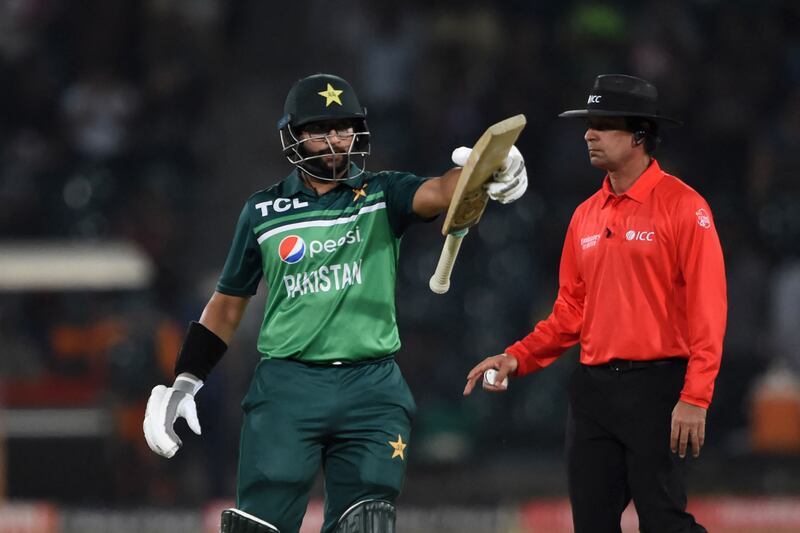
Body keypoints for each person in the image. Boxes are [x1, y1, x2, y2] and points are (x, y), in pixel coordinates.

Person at [143, 73, 527, 533]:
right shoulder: (263, 211)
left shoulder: (384, 194)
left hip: (371, 388)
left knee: (368, 523)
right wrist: (185, 381)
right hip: (288, 386)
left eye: (344, 128)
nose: (335, 140)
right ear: (293, 136)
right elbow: (227, 306)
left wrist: (484, 172)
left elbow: (442, 192)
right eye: (319, 130)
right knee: (257, 525)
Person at [464, 74, 726, 533]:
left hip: (659, 391)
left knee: (664, 521)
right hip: (592, 393)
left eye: (603, 125)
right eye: (590, 124)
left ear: (639, 135)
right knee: (592, 525)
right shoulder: (584, 215)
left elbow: (709, 308)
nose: (589, 134)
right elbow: (570, 313)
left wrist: (695, 396)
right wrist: (516, 357)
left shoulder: (685, 207)